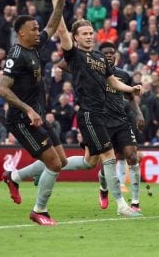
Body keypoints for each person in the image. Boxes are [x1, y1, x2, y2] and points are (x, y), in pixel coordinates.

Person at [56, 12, 143, 217]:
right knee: (108, 157)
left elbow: (113, 82)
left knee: (91, 162)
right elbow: (61, 30)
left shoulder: (99, 57)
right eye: (84, 33)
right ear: (75, 37)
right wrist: (58, 3)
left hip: (102, 114)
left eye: (91, 33)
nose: (88, 36)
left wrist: (130, 89)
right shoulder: (74, 55)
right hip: (89, 113)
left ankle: (47, 168)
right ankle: (122, 206)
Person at [0, 0, 66, 225]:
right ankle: (39, 210)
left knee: (63, 160)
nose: (39, 32)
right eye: (34, 30)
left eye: (38, 29)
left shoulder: (34, 47)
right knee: (54, 164)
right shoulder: (16, 55)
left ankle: (14, 177)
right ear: (21, 34)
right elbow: (2, 90)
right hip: (21, 119)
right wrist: (27, 110)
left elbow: (53, 23)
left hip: (35, 114)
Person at [96, 42, 144, 212]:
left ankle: (136, 202)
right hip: (102, 123)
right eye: (105, 53)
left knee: (132, 156)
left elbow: (130, 97)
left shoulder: (123, 75)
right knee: (107, 163)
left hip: (122, 121)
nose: (109, 55)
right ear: (99, 56)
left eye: (112, 52)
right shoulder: (94, 74)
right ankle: (103, 189)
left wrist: (138, 114)